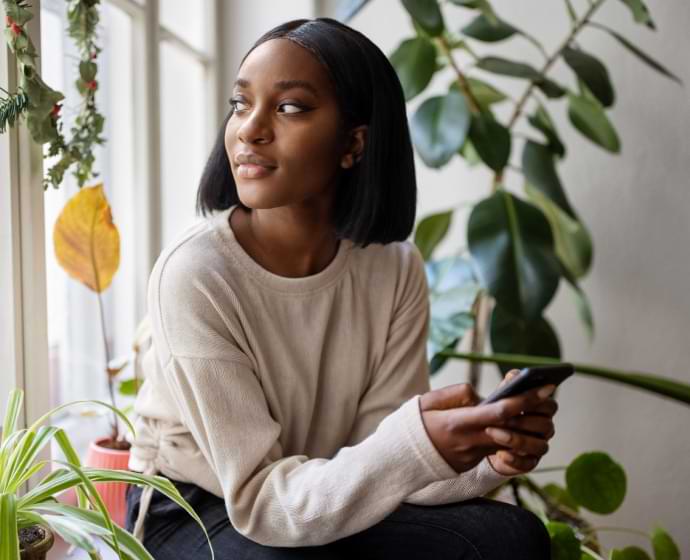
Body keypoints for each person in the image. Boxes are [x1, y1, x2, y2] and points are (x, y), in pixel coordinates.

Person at [124, 17, 557, 559]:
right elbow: (261, 501)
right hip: (198, 506)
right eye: (241, 103)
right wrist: (411, 445)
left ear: (353, 143)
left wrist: (489, 455)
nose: (248, 129)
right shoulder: (195, 273)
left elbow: (383, 465)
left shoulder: (393, 268)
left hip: (319, 489)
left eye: (288, 108)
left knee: (512, 537)